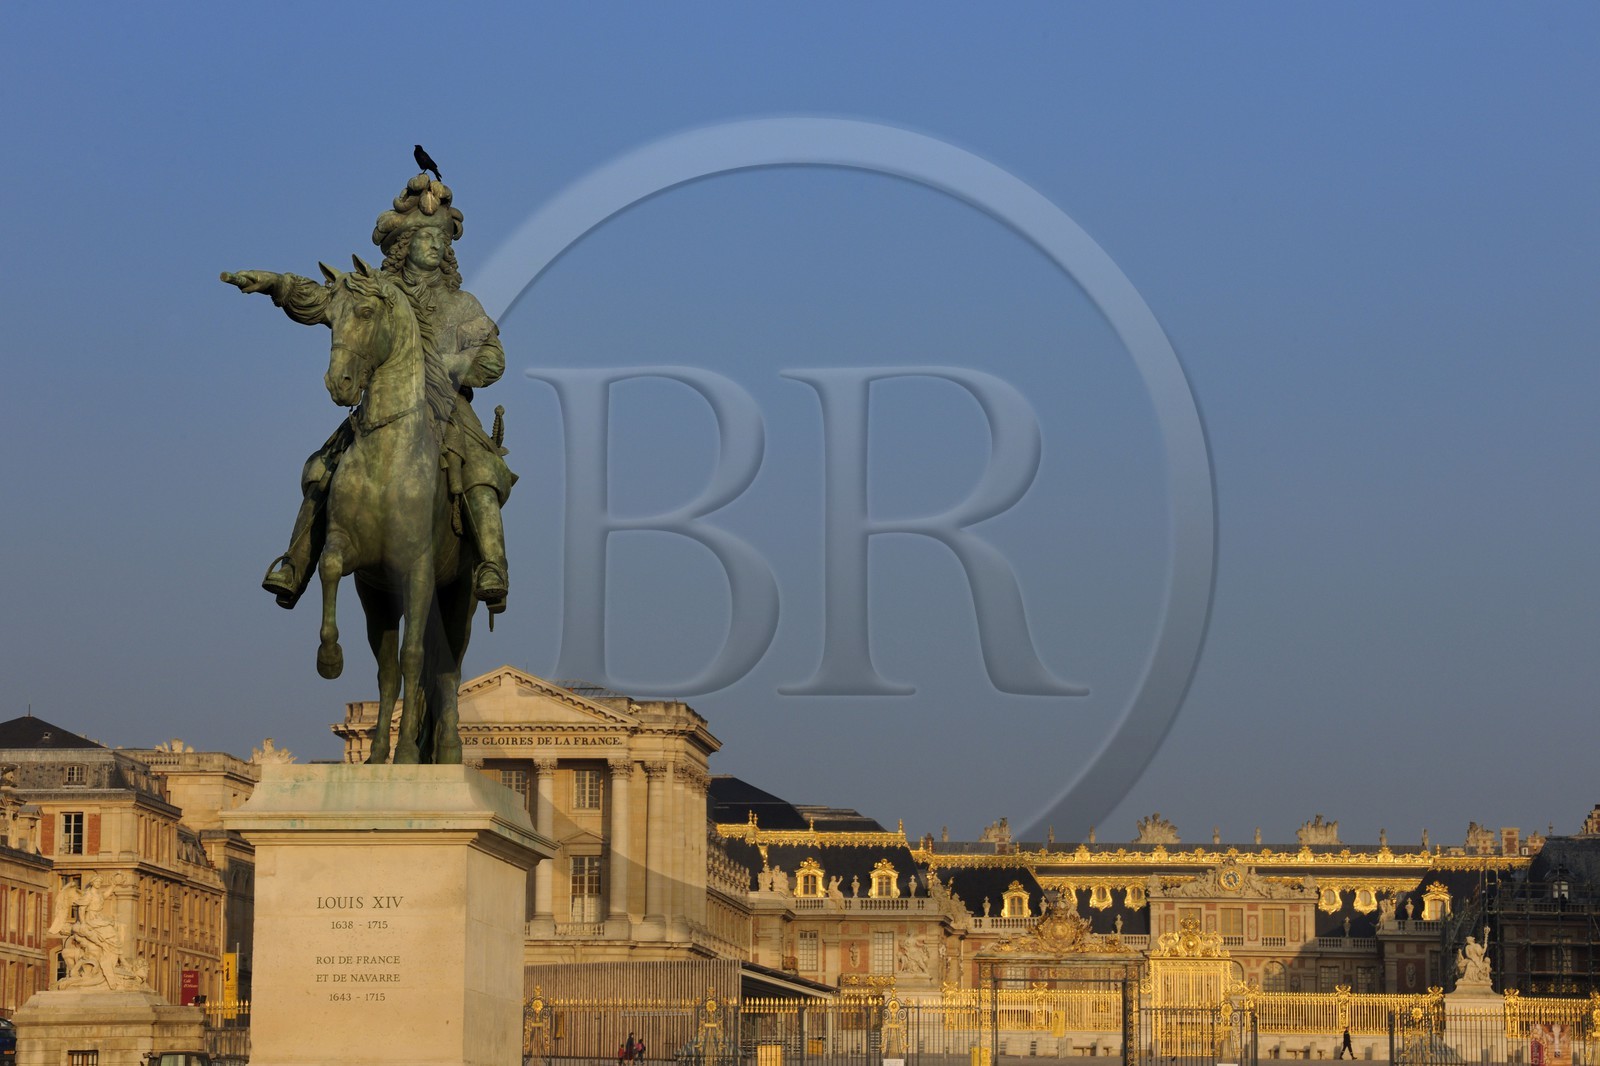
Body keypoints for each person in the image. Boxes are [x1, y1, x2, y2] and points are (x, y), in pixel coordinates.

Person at [225, 173, 515, 614]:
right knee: (323, 469)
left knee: (481, 470)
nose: (435, 245)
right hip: (383, 408)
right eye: (424, 236)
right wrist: (278, 284)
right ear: (404, 244)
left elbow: (494, 359)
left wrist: (455, 367)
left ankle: (492, 564)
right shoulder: (376, 291)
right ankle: (296, 562)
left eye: (441, 239)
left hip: (447, 408)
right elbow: (324, 300)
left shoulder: (463, 306)